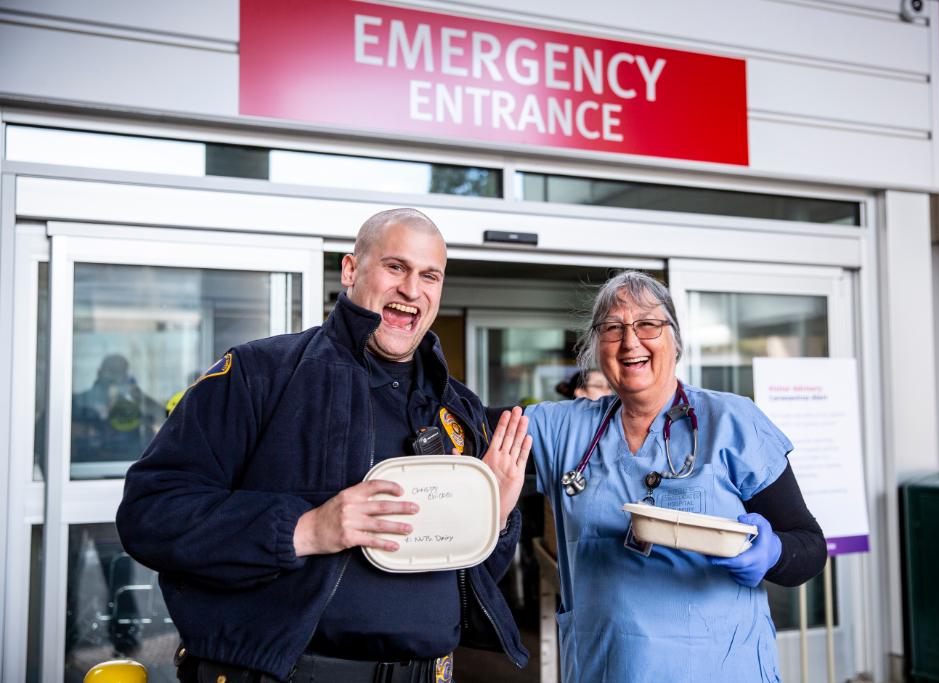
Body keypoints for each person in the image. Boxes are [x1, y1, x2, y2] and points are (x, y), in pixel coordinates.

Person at [117, 208, 531, 683]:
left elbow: (471, 577)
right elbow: (151, 513)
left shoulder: (458, 407)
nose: (411, 289)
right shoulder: (259, 374)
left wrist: (494, 519)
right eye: (395, 267)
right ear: (350, 270)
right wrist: (307, 529)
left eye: (429, 275)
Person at [524, 271, 826, 682]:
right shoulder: (563, 429)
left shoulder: (732, 422)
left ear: (675, 340)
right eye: (613, 328)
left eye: (648, 324)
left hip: (721, 670)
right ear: (596, 347)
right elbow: (463, 424)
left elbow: (809, 546)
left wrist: (774, 554)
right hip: (603, 669)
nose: (630, 341)